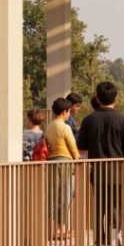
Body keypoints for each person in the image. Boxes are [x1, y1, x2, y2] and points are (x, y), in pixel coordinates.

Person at [77, 78, 124, 246]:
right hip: (118, 173)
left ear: (97, 98)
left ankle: (101, 242)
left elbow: (81, 148)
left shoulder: (89, 120)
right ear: (116, 98)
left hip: (97, 173)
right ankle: (117, 235)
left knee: (99, 207)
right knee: (117, 206)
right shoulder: (123, 121)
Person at [43, 95, 78, 234]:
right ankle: (60, 229)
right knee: (64, 196)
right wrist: (77, 160)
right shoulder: (64, 127)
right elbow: (73, 147)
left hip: (51, 162)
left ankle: (52, 228)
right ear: (65, 112)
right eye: (68, 112)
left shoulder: (49, 126)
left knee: (52, 196)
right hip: (64, 162)